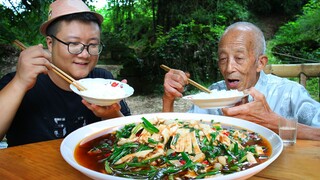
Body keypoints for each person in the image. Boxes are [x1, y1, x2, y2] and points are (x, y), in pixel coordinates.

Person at [0, 0, 131, 147]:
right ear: (50, 43)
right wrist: (19, 83)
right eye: (74, 43)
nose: (85, 54)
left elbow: (131, 140)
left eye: (93, 45)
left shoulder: (104, 81)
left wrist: (111, 114)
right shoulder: (18, 82)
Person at [162, 22, 320, 140]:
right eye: (223, 58)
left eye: (239, 58)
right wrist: (168, 99)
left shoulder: (289, 93)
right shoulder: (212, 95)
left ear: (260, 63)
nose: (229, 67)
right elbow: (175, 137)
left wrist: (277, 124)